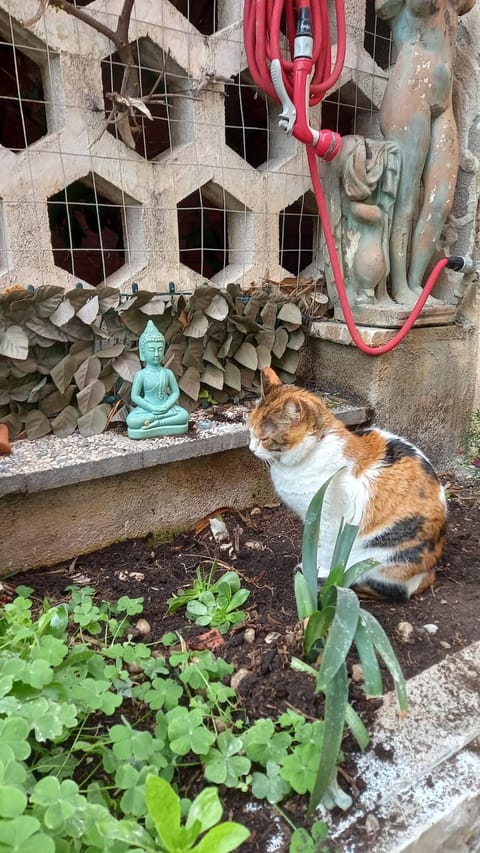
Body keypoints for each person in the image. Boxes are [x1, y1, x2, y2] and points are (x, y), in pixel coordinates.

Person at [376, 0, 476, 304]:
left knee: (440, 200)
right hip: (410, 87)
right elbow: (383, 9)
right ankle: (399, 286)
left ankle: (416, 282)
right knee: (404, 198)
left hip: (442, 98)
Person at [126, 320, 189, 438]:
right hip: (148, 409)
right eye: (152, 350)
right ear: (142, 353)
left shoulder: (167, 373)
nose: (156, 354)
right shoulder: (141, 375)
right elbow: (135, 396)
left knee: (183, 415)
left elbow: (175, 392)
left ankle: (157, 423)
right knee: (132, 420)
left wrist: (166, 406)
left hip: (166, 408)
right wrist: (152, 408)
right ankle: (158, 421)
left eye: (159, 350)